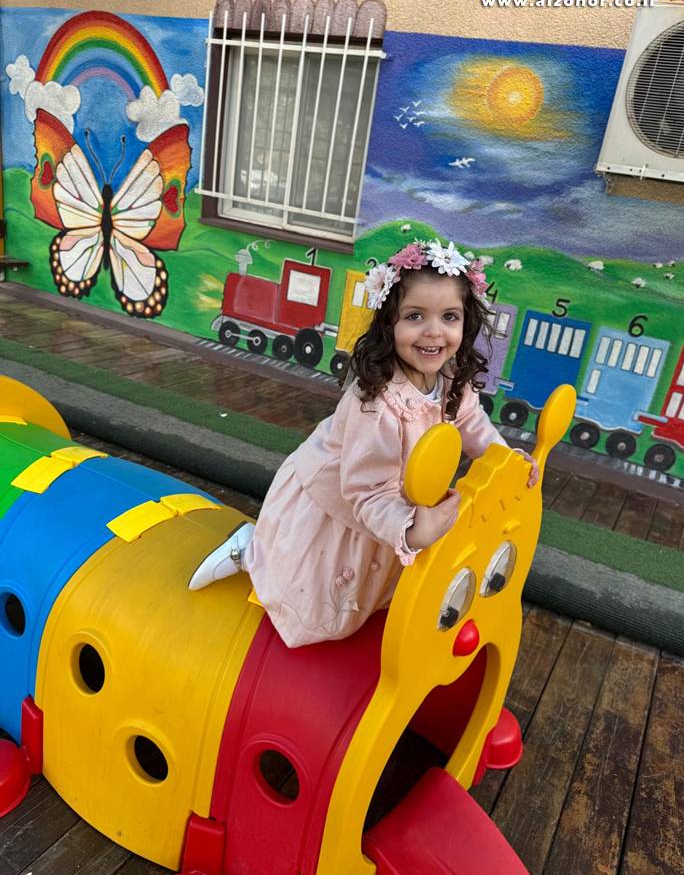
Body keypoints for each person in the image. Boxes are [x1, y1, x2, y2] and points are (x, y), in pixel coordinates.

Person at [189, 239, 539, 647]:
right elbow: (365, 490)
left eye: (449, 316)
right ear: (389, 324)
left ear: (467, 322)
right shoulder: (374, 403)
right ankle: (251, 550)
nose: (433, 331)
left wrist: (503, 459)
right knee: (319, 607)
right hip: (339, 502)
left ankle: (271, 547)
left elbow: (470, 421)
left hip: (388, 501)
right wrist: (410, 529)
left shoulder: (449, 375)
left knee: (374, 591)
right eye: (415, 316)